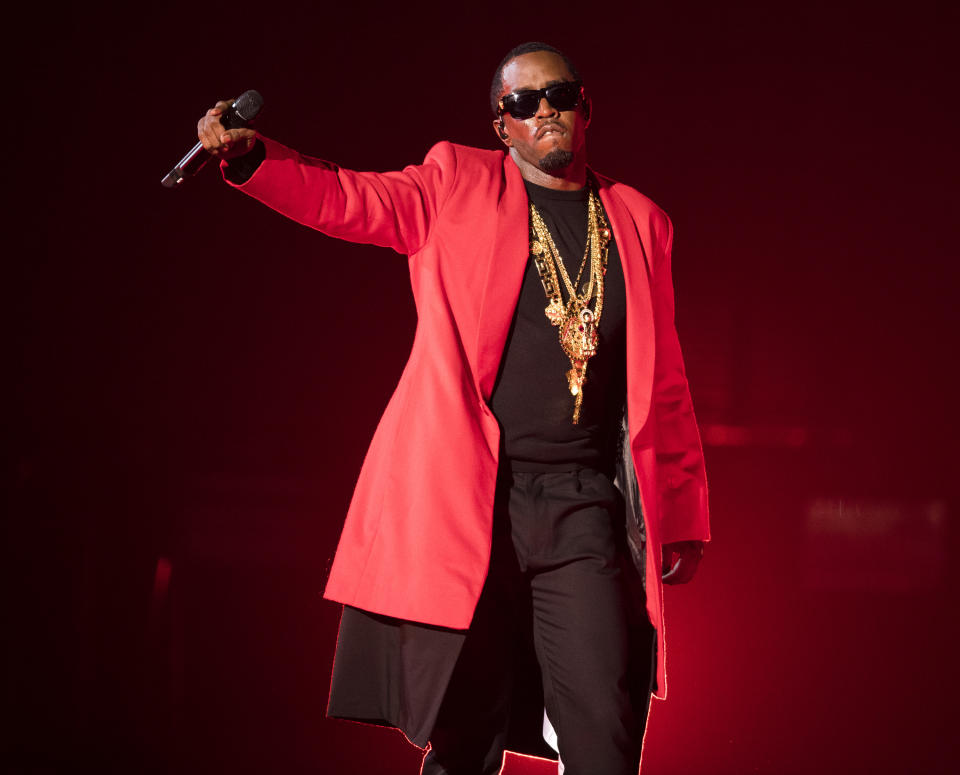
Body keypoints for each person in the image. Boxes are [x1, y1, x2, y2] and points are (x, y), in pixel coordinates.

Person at [196, 42, 710, 775]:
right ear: (501, 126)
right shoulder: (455, 184)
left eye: (557, 96)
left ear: (585, 105)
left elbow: (665, 380)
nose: (544, 113)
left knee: (606, 726)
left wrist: (684, 510)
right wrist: (256, 161)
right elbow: (350, 198)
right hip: (475, 500)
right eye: (522, 104)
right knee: (467, 729)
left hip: (585, 505)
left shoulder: (639, 221)